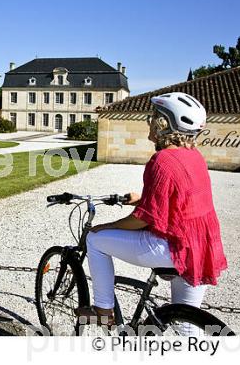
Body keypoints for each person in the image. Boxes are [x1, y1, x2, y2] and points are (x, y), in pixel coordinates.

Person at [76, 92, 228, 327]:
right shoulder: (195, 157)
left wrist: (106, 226)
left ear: (162, 124)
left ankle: (103, 310)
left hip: (171, 245)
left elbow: (142, 219)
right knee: (187, 326)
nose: (149, 122)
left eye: (153, 117)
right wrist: (142, 198)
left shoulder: (162, 160)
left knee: (96, 240)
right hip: (199, 248)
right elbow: (178, 202)